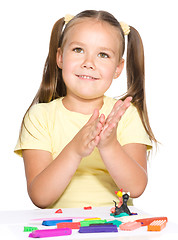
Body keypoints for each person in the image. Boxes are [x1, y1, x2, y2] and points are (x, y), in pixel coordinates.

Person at [14, 10, 156, 209]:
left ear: (118, 68)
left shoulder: (126, 115)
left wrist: (109, 145)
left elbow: (136, 188)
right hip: (59, 229)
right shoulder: (40, 117)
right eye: (78, 50)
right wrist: (74, 150)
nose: (89, 63)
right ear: (60, 57)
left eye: (103, 54)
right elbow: (40, 197)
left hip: (114, 228)